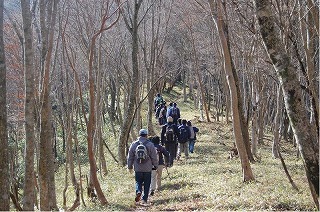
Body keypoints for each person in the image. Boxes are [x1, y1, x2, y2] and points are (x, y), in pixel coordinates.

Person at [127, 129, 158, 206]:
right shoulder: (150, 144)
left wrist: (129, 166)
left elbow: (130, 157)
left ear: (139, 134)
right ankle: (144, 199)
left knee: (138, 181)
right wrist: (156, 165)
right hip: (147, 168)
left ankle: (138, 191)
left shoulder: (134, 144)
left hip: (137, 168)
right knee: (147, 183)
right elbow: (154, 157)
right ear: (146, 135)